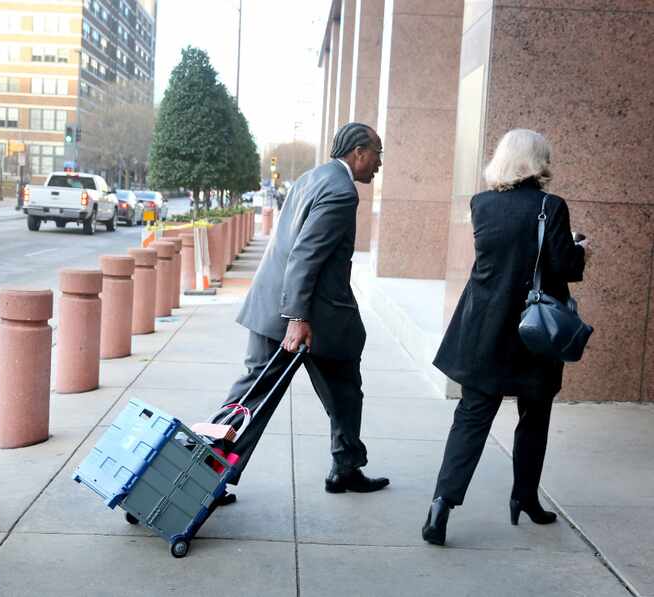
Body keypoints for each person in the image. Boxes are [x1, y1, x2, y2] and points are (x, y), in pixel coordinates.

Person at [421, 129, 591, 546]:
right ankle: (525, 498)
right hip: (535, 331)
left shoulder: (482, 204)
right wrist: (582, 249)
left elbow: (502, 257)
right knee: (534, 417)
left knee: (472, 417)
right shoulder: (551, 206)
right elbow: (564, 267)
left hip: (485, 329)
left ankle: (441, 504)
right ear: (538, 162)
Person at [217, 122, 387, 498]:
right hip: (300, 319)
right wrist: (297, 318)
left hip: (286, 310)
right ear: (358, 152)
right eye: (377, 153)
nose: (379, 163)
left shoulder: (313, 178)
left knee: (341, 391)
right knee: (253, 400)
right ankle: (206, 476)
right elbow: (305, 254)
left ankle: (346, 466)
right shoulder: (342, 191)